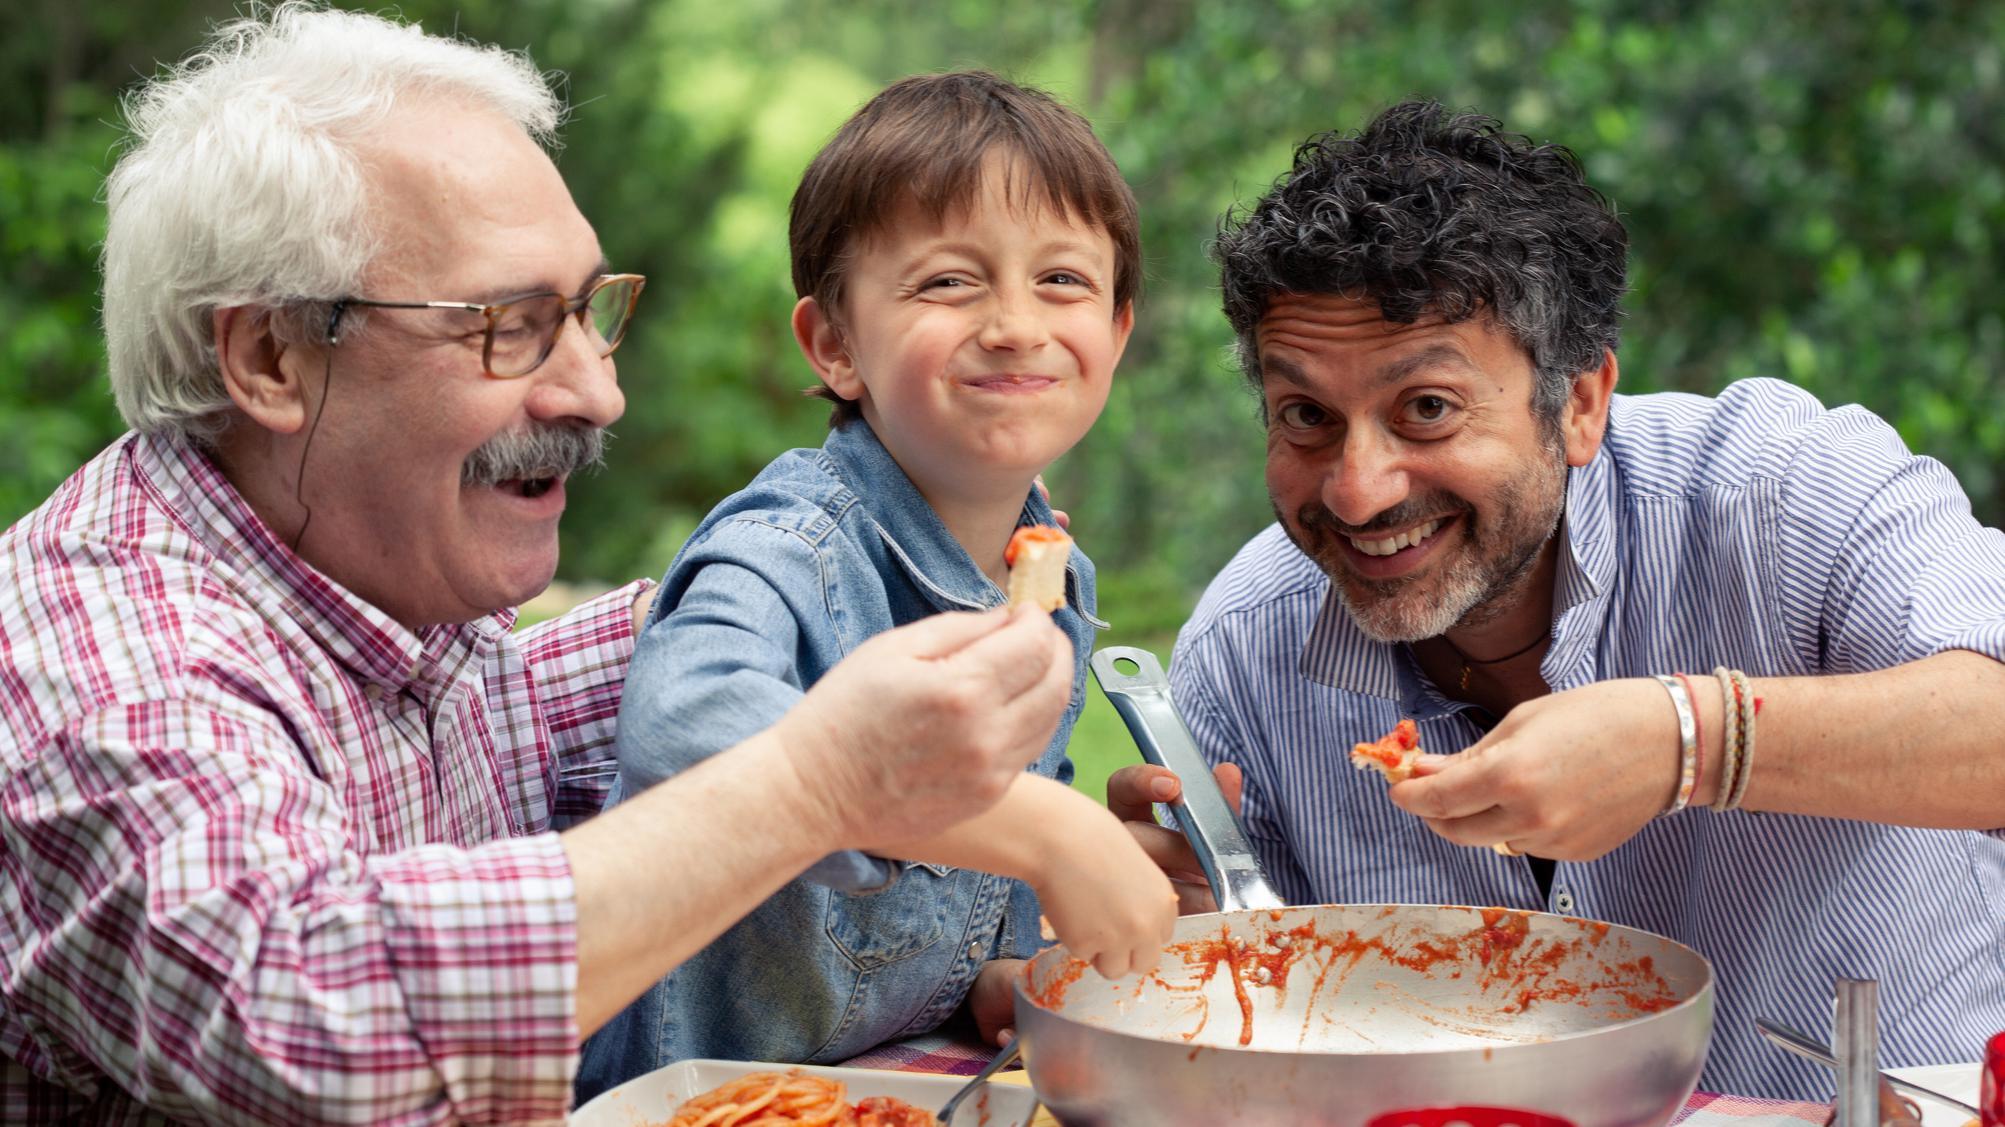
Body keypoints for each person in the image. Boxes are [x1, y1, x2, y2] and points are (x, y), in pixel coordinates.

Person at [0, 8, 1079, 1123]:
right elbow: (315, 1009)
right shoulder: (100, 651)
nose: (597, 393)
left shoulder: (397, 598)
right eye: (509, 325)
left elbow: (606, 694)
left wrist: (885, 561)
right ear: (272, 357)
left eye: (585, 312)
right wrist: (816, 780)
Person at [1111, 100, 2005, 1099]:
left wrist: (1689, 740)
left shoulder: (1787, 491)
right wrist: (1189, 928)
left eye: (1428, 408)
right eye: (1307, 416)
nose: (1356, 489)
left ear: (1578, 401)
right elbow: (1263, 1041)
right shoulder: (1239, 652)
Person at [576, 72, 1176, 1095]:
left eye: (1063, 282)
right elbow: (682, 731)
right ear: (834, 344)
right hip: (688, 1100)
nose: (1015, 324)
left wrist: (992, 961)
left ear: (1117, 330)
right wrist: (1044, 833)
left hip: (884, 1085)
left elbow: (990, 847)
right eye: (949, 281)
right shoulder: (789, 545)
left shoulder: (1049, 573)